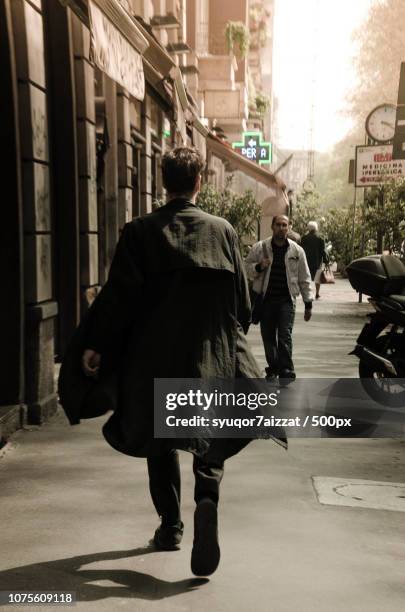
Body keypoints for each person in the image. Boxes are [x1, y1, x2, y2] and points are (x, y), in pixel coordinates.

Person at [58, 147, 286, 578]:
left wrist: (97, 345)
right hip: (209, 351)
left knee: (161, 440)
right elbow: (241, 303)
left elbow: (118, 300)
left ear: (164, 182)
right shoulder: (222, 232)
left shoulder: (141, 232)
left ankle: (171, 526)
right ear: (200, 182)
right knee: (211, 429)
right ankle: (207, 494)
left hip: (153, 356)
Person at [245, 215, 313, 381]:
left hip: (286, 301)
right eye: (278, 225)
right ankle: (274, 367)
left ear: (289, 227)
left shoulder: (297, 251)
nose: (282, 228)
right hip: (266, 300)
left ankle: (286, 369)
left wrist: (308, 303)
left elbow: (305, 277)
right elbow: (246, 268)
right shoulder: (260, 248)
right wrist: (260, 266)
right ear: (272, 226)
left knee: (284, 336)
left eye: (285, 225)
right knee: (268, 337)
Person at [301, 221, 328, 299]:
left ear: (308, 228)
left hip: (307, 261)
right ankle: (317, 293)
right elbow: (323, 250)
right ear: (316, 228)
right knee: (317, 278)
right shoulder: (320, 238)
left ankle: (308, 293)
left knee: (307, 277)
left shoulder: (304, 238)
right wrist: (326, 260)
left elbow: (301, 249)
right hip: (317, 262)